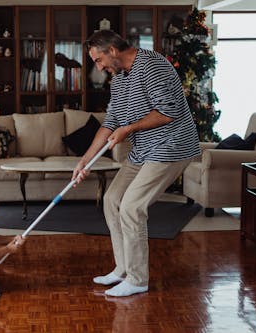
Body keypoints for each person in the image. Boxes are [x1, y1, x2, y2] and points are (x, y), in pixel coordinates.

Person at [73, 30, 201, 297]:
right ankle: (123, 268)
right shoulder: (118, 79)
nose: (98, 67)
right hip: (143, 150)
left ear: (113, 50)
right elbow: (110, 122)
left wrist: (129, 129)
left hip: (172, 146)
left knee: (132, 207)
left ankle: (138, 279)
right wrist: (85, 161)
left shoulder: (152, 65)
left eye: (98, 60)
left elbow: (168, 111)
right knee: (113, 200)